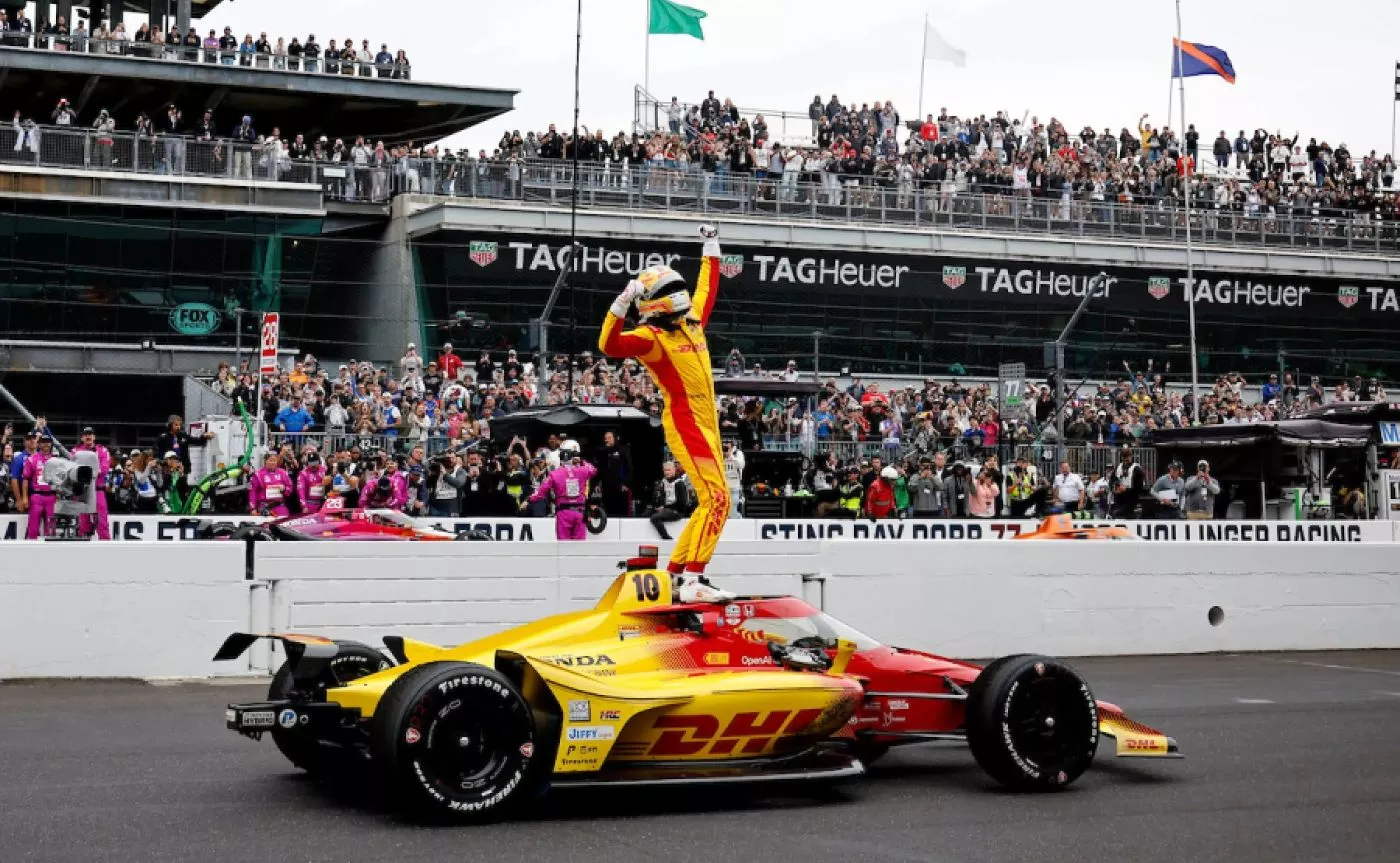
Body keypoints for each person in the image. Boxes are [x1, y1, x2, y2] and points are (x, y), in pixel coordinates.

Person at [598, 224, 735, 602]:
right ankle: (693, 581)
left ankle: (676, 576)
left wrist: (710, 243)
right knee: (719, 501)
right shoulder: (651, 339)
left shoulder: (691, 323)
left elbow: (708, 287)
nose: (684, 296)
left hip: (707, 423)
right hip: (688, 422)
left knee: (712, 502)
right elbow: (608, 345)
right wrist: (621, 303)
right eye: (676, 292)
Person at [524, 439, 596, 541]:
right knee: (579, 549)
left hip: (563, 514)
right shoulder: (583, 470)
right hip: (580, 512)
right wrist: (581, 461)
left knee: (563, 550)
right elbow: (593, 470)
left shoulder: (555, 474)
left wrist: (528, 500)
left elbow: (540, 492)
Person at [72, 426, 112, 539]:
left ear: (94, 436)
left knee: (102, 522)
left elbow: (104, 469)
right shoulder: (75, 451)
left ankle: (106, 548)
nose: (88, 436)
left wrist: (86, 472)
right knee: (82, 524)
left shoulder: (102, 450)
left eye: (90, 434)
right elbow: (71, 469)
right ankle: (82, 549)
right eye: (86, 434)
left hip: (97, 490)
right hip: (82, 491)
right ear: (82, 437)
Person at [645, 460, 695, 540]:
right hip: (666, 509)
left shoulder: (679, 483)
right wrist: (658, 505)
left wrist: (664, 507)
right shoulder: (663, 482)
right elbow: (660, 497)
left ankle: (666, 537)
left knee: (654, 518)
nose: (666, 472)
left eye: (669, 470)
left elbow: (682, 503)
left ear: (674, 470)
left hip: (676, 511)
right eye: (665, 470)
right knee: (646, 513)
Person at [21, 436, 56, 539]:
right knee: (33, 528)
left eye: (48, 442)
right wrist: (24, 498)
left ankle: (50, 553)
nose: (46, 444)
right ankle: (32, 552)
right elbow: (25, 479)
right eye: (43, 442)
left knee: (51, 528)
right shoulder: (32, 459)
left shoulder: (56, 460)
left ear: (51, 444)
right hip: (37, 496)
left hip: (52, 497)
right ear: (39, 444)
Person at [248, 452, 293, 517]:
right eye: (271, 460)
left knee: (284, 525)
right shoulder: (258, 474)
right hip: (264, 507)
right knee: (265, 526)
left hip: (279, 506)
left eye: (274, 460)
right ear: (265, 461)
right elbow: (252, 492)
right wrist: (253, 508)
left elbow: (290, 488)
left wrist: (284, 489)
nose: (273, 463)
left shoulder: (282, 473)